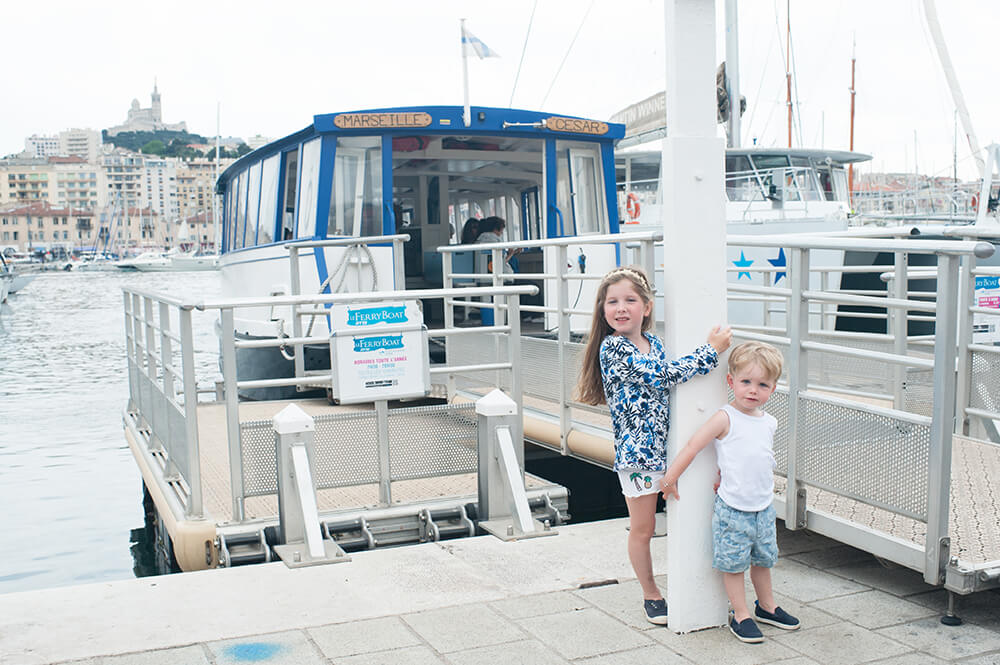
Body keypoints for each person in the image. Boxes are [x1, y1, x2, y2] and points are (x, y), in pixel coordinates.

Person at [576, 266, 732, 626]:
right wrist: (710, 351)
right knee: (644, 528)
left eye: (630, 300)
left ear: (646, 307)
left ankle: (700, 588)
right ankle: (650, 592)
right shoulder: (613, 348)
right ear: (603, 310)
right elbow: (664, 376)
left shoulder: (655, 342)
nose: (621, 308)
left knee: (682, 520)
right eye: (612, 301)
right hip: (638, 456)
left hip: (667, 451)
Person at [660, 341, 800, 643]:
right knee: (734, 563)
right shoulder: (725, 417)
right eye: (746, 382)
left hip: (763, 506)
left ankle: (767, 606)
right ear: (731, 381)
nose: (753, 390)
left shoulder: (769, 422)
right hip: (733, 509)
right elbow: (694, 446)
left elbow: (755, 456)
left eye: (762, 384)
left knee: (763, 560)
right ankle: (741, 614)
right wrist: (671, 477)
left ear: (773, 388)